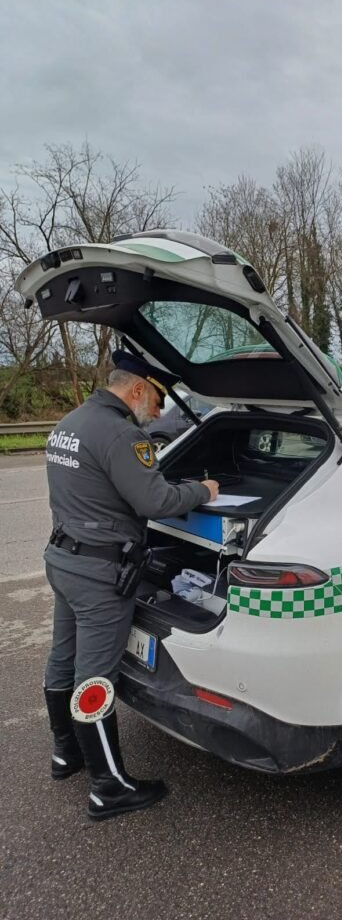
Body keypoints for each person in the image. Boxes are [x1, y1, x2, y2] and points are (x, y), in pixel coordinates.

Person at [42, 349, 219, 821]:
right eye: (158, 400)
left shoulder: (71, 422)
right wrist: (205, 491)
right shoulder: (121, 432)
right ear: (138, 387)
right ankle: (109, 789)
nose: (158, 413)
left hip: (64, 558)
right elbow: (155, 499)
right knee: (95, 677)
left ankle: (66, 755)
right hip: (100, 575)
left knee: (63, 660)